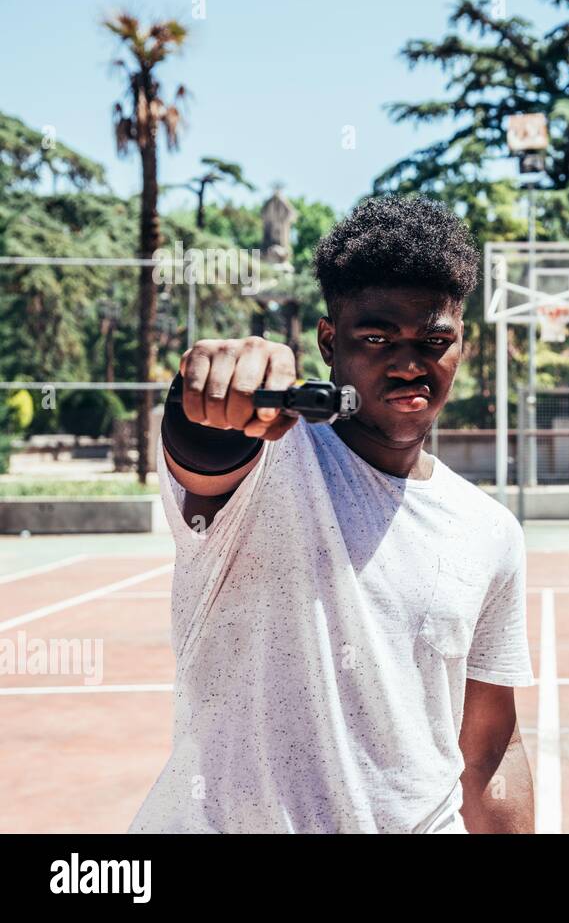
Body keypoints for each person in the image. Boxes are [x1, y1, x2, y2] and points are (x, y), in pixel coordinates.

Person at [129, 196, 535, 833]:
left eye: (434, 340)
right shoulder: (271, 458)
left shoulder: (490, 531)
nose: (408, 363)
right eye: (377, 337)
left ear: (462, 346)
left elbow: (488, 752)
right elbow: (204, 450)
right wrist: (207, 396)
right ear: (328, 341)